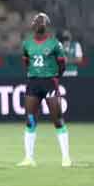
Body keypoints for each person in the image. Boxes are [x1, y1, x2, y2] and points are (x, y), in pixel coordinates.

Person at [18, 13, 71, 167]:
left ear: (46, 25)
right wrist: (33, 74)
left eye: (41, 21)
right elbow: (26, 62)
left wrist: (56, 77)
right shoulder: (27, 44)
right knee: (30, 119)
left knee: (58, 120)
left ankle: (66, 157)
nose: (38, 23)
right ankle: (29, 158)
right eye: (36, 21)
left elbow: (62, 65)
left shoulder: (55, 44)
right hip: (33, 83)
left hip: (49, 83)